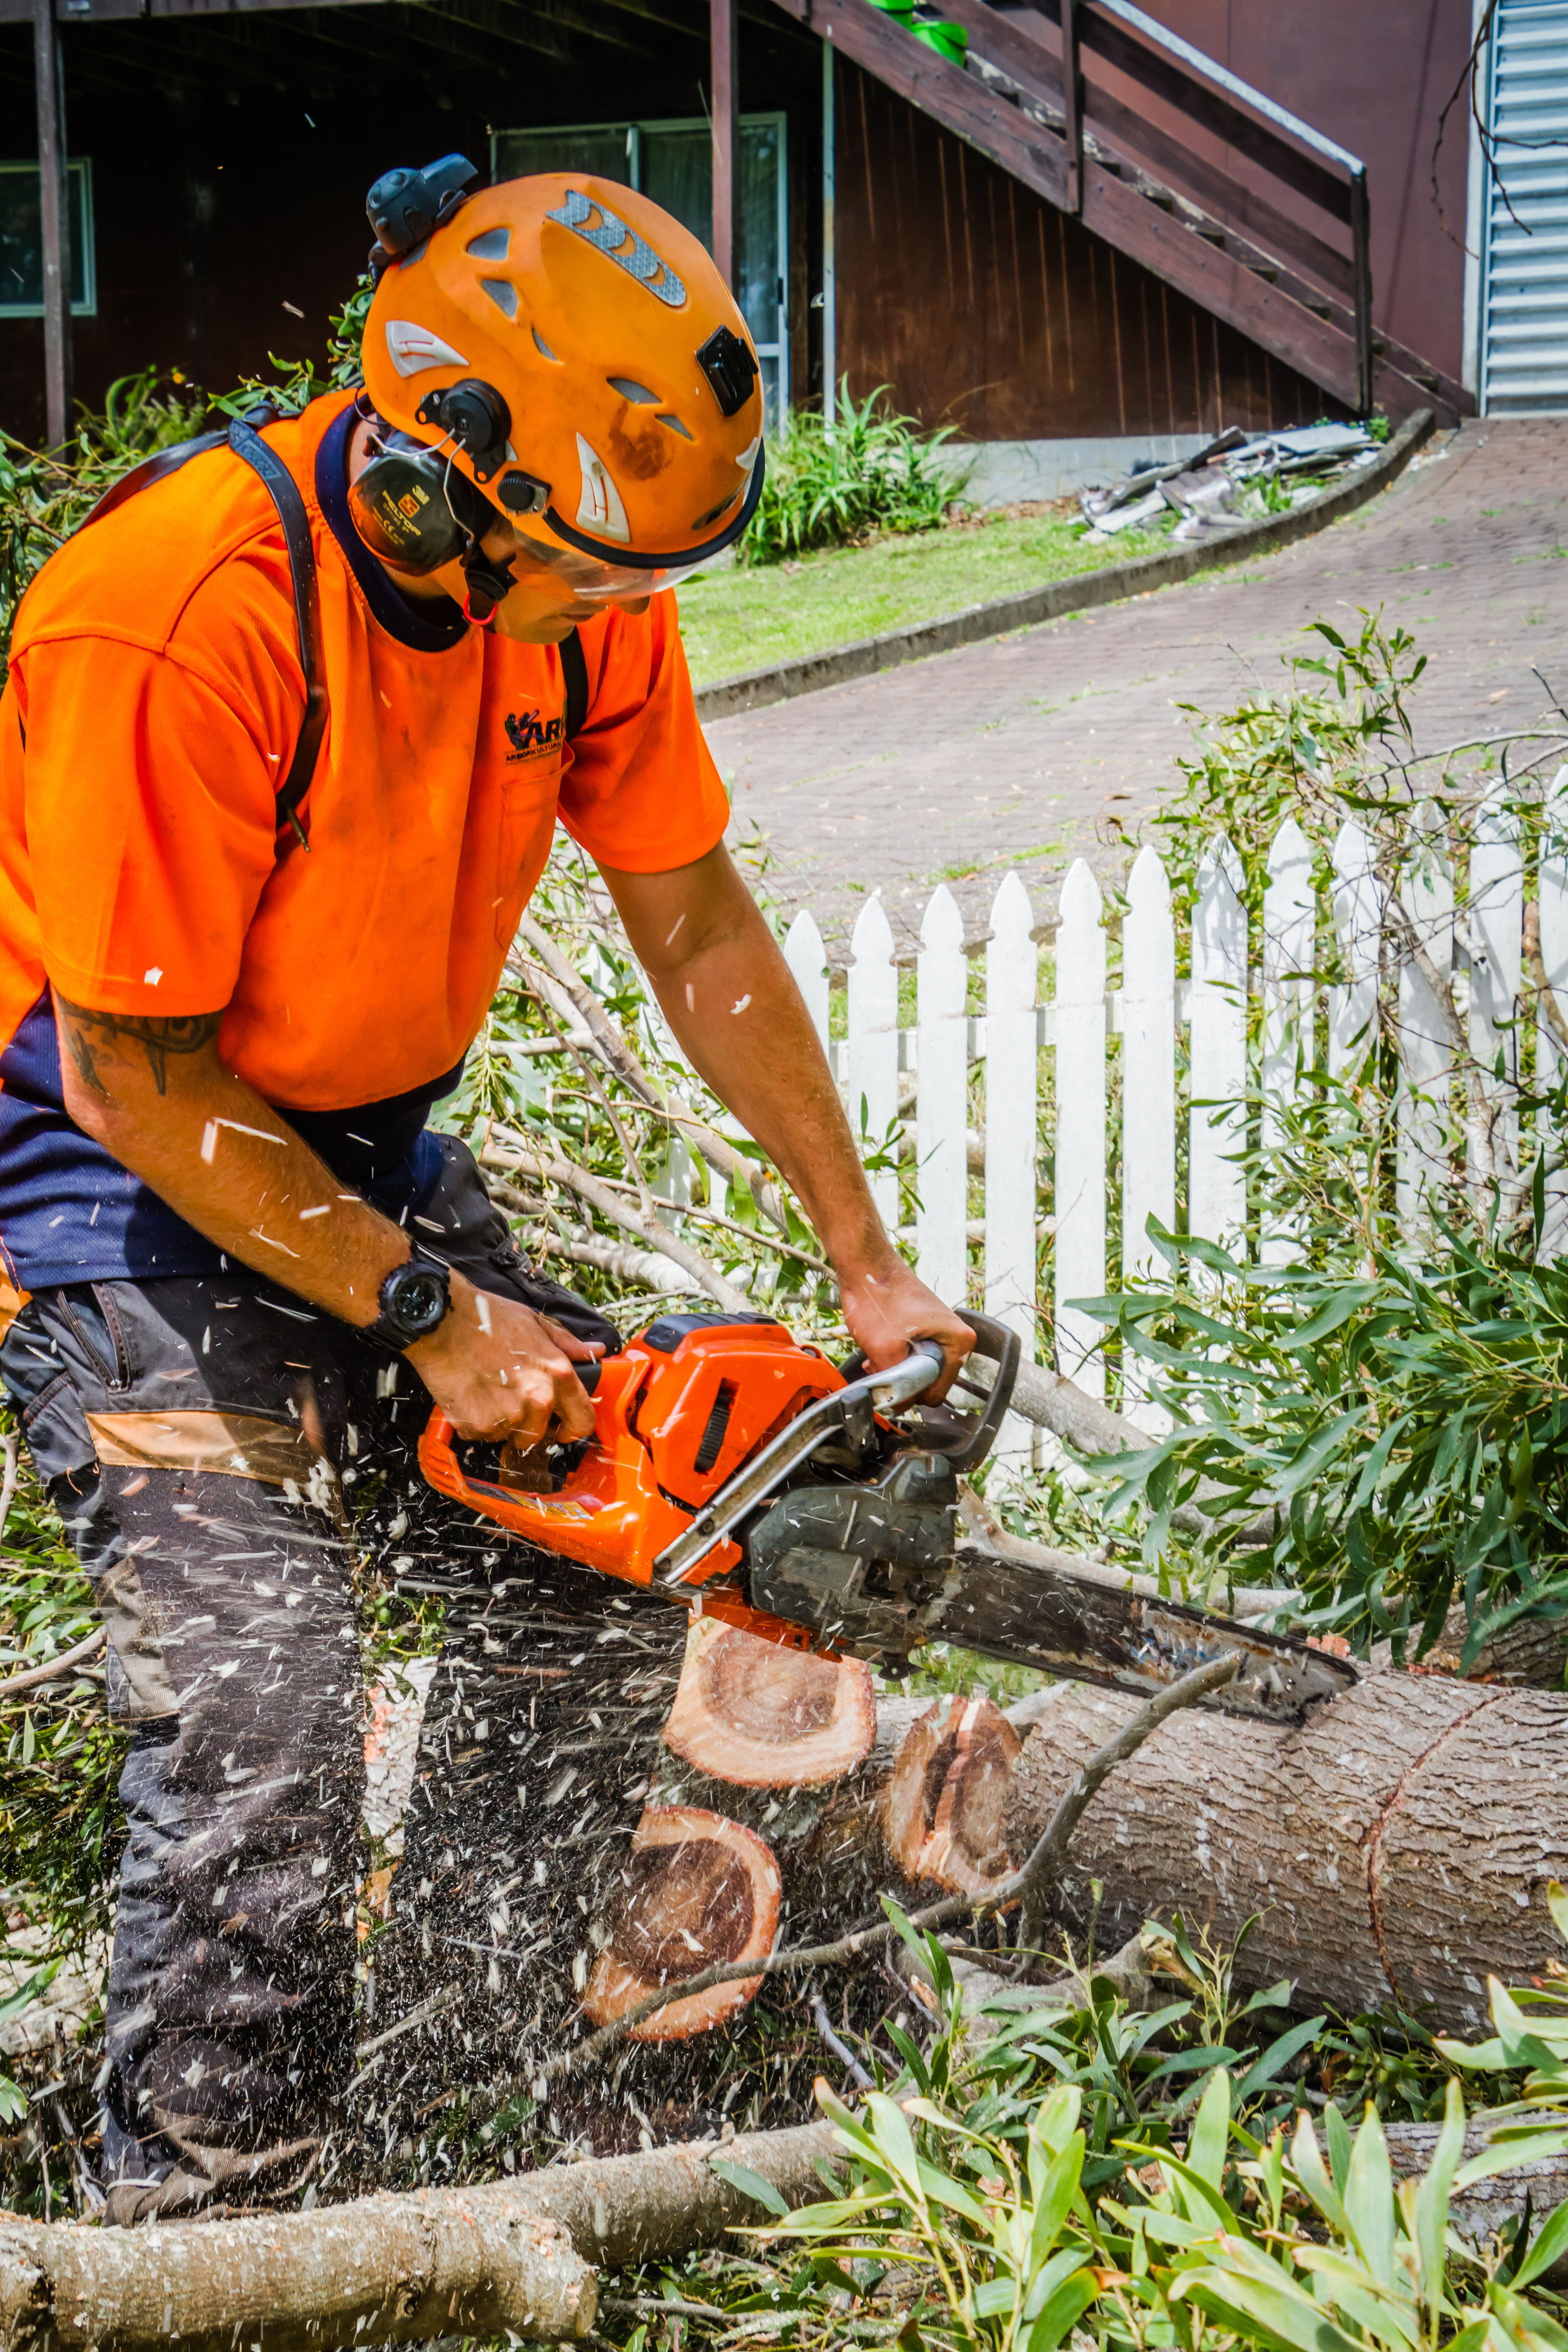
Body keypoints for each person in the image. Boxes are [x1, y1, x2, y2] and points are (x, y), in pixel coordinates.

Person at [0, 159, 969, 2225]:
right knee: (261, 1710)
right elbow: (140, 1074)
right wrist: (434, 1319)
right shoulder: (183, 615)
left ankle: (463, 2107)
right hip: (101, 1167)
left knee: (604, 1557)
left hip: (350, 1150)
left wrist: (864, 1264)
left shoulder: (583, 599)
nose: (622, 628)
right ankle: (203, 2234)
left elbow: (694, 915)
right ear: (443, 482)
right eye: (587, 581)